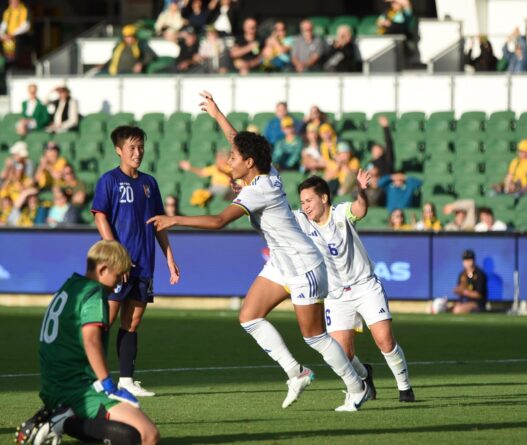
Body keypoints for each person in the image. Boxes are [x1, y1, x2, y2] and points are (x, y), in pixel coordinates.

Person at [148, 91, 371, 411]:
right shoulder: (268, 175)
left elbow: (219, 220)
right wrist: (217, 114)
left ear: (248, 163)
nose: (228, 160)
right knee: (249, 316)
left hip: (304, 267)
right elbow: (240, 141)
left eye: (233, 158)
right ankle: (297, 372)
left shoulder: (258, 190)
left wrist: (175, 218)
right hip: (282, 264)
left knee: (315, 337)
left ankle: (356, 386)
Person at [14, 240, 159, 445]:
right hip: (78, 388)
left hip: (53, 386)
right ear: (103, 269)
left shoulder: (70, 285)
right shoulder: (93, 292)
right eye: (117, 277)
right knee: (147, 435)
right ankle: (62, 421)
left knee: (127, 434)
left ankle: (62, 418)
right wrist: (107, 384)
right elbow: (91, 340)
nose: (118, 285)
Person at [295, 174, 415, 402]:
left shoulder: (341, 212)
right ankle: (365, 374)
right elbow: (278, 218)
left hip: (365, 286)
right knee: (343, 354)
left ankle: (404, 388)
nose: (305, 206)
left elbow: (360, 209)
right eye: (302, 202)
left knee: (384, 340)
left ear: (324, 197)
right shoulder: (302, 221)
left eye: (309, 200)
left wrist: (361, 190)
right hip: (336, 294)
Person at [91, 126, 180, 398]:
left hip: (144, 263)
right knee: (106, 319)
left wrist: (170, 258)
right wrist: (117, 256)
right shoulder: (109, 181)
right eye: (131, 147)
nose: (137, 152)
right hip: (119, 265)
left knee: (133, 322)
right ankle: (96, 379)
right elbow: (100, 216)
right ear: (119, 150)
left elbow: (158, 224)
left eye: (140, 146)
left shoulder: (149, 183)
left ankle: (126, 380)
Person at [451, 250, 488, 314]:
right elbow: (460, 289)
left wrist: (464, 292)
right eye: (464, 260)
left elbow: (478, 294)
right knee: (447, 308)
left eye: (468, 260)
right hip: (464, 301)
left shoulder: (479, 274)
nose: (466, 262)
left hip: (477, 303)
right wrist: (458, 290)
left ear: (472, 260)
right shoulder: (462, 274)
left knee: (458, 310)